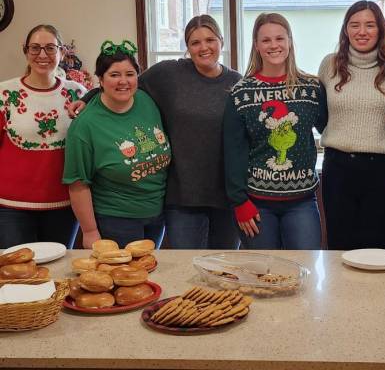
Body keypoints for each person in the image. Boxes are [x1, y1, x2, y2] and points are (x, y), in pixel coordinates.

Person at [69, 15, 242, 249]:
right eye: (195, 42)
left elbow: (244, 136)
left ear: (221, 41)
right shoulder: (169, 74)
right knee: (184, 269)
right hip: (182, 198)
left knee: (225, 269)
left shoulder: (237, 83)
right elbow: (127, 82)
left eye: (210, 39)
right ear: (187, 47)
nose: (204, 47)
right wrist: (87, 98)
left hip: (225, 198)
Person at [223, 12, 326, 249]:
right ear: (257, 46)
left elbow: (331, 128)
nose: (274, 45)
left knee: (305, 272)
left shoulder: (311, 88)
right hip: (256, 205)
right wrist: (239, 202)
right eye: (266, 40)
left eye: (280, 38)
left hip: (302, 201)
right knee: (262, 278)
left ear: (289, 42)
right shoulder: (241, 92)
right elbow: (233, 152)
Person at [63, 41, 171, 249]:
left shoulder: (146, 101)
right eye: (114, 75)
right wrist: (90, 231)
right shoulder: (85, 126)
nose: (123, 81)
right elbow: (77, 184)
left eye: (130, 74)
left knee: (147, 275)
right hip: (116, 219)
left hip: (157, 215)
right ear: (101, 80)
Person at [318, 0, 385, 250]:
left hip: (383, 172)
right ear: (346, 30)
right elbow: (320, 114)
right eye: (354, 25)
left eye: (369, 25)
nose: (361, 32)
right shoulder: (329, 65)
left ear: (381, 30)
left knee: (382, 248)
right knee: (340, 248)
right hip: (338, 169)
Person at [0, 24, 86, 249]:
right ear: (25, 51)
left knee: (59, 276)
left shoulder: (77, 93)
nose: (42, 55)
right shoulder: (5, 94)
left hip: (64, 204)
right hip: (11, 207)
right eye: (35, 48)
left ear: (62, 52)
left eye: (50, 48)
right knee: (19, 275)